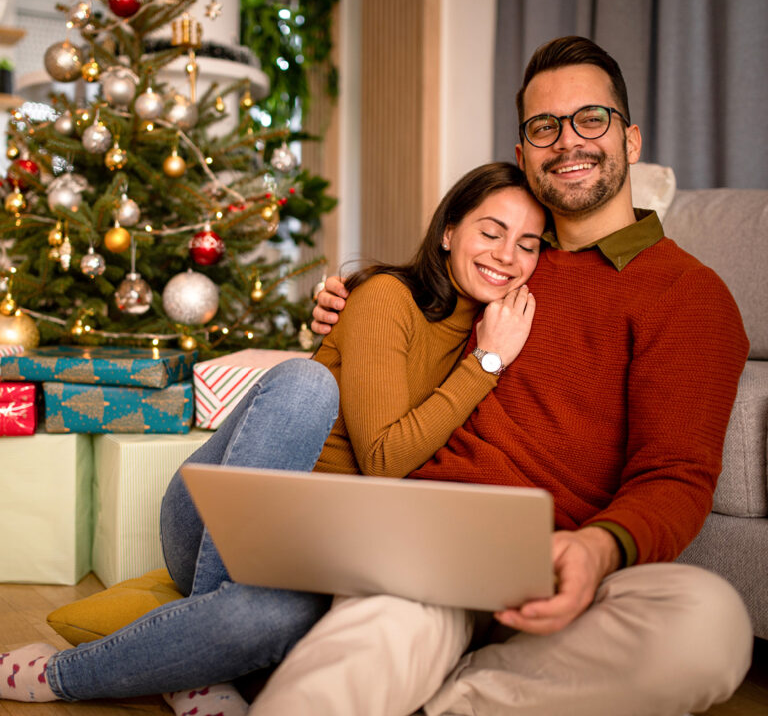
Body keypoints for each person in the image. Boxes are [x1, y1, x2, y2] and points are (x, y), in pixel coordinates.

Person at [246, 36, 754, 716]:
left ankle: (453, 699)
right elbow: (408, 308)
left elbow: (676, 475)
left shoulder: (688, 294)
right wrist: (344, 303)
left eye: (591, 119)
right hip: (428, 538)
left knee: (709, 622)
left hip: (554, 558)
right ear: (523, 155)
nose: (567, 141)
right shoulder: (505, 258)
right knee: (373, 642)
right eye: (544, 127)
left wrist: (598, 550)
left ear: (630, 140)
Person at [0, 163, 546, 712]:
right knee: (305, 384)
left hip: (317, 552)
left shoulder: (496, 330)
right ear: (449, 231)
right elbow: (384, 458)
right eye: (491, 231)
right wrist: (487, 362)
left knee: (263, 617)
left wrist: (488, 354)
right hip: (215, 514)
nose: (506, 255)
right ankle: (61, 675)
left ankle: (196, 663)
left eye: (527, 244)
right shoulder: (391, 300)